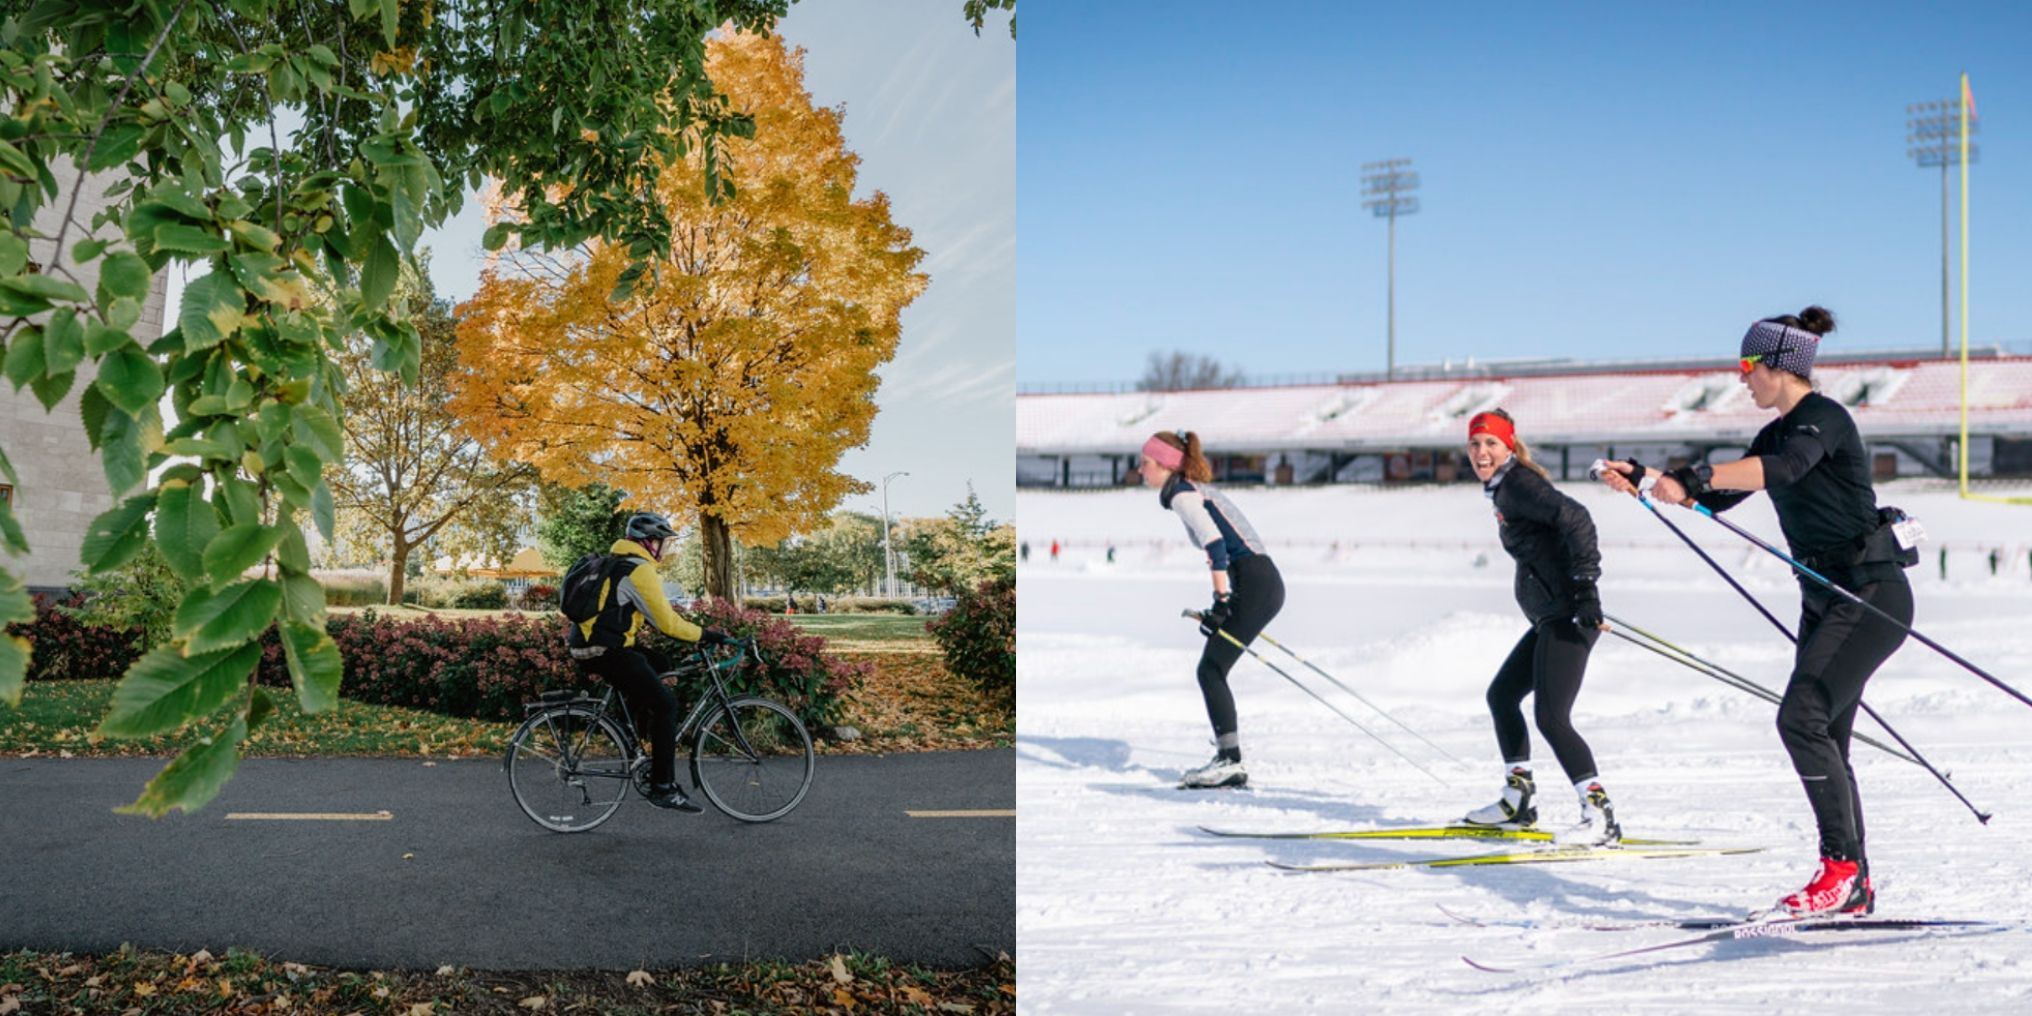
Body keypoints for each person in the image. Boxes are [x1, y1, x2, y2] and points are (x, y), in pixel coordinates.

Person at [1597, 306, 1911, 915]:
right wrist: (1649, 479)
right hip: (1825, 599)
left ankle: (1839, 872)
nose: (1741, 378)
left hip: (1869, 593)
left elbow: (1786, 469)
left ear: (1780, 366)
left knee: (1801, 721)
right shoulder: (1772, 434)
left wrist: (1692, 475)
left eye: (1747, 365)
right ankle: (1855, 885)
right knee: (1827, 738)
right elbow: (1723, 490)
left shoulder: (1824, 419)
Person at [1459, 409, 1620, 846]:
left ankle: (1599, 814)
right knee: (1502, 696)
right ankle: (1518, 801)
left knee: (1552, 717)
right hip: (1553, 616)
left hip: (1569, 613)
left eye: (1491, 443)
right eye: (1475, 444)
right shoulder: (1504, 489)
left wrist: (1586, 591)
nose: (1481, 452)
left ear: (1508, 446)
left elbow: (1578, 518)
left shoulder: (1518, 485)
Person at [1139, 430, 1285, 789]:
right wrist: (1222, 604)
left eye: (1145, 463)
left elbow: (1217, 546)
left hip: (1255, 583)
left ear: (1164, 466)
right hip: (1255, 583)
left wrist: (1222, 602)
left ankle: (1229, 761)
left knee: (1211, 669)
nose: (1140, 470)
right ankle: (1228, 757)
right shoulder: (1189, 491)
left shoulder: (1183, 496)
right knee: (1212, 667)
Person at [567, 512, 734, 813]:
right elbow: (668, 623)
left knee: (660, 662)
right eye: (663, 542)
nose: (666, 549)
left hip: (595, 644)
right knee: (666, 704)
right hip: (603, 649)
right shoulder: (639, 570)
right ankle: (663, 787)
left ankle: (634, 735)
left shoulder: (617, 562)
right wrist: (708, 635)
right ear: (649, 543)